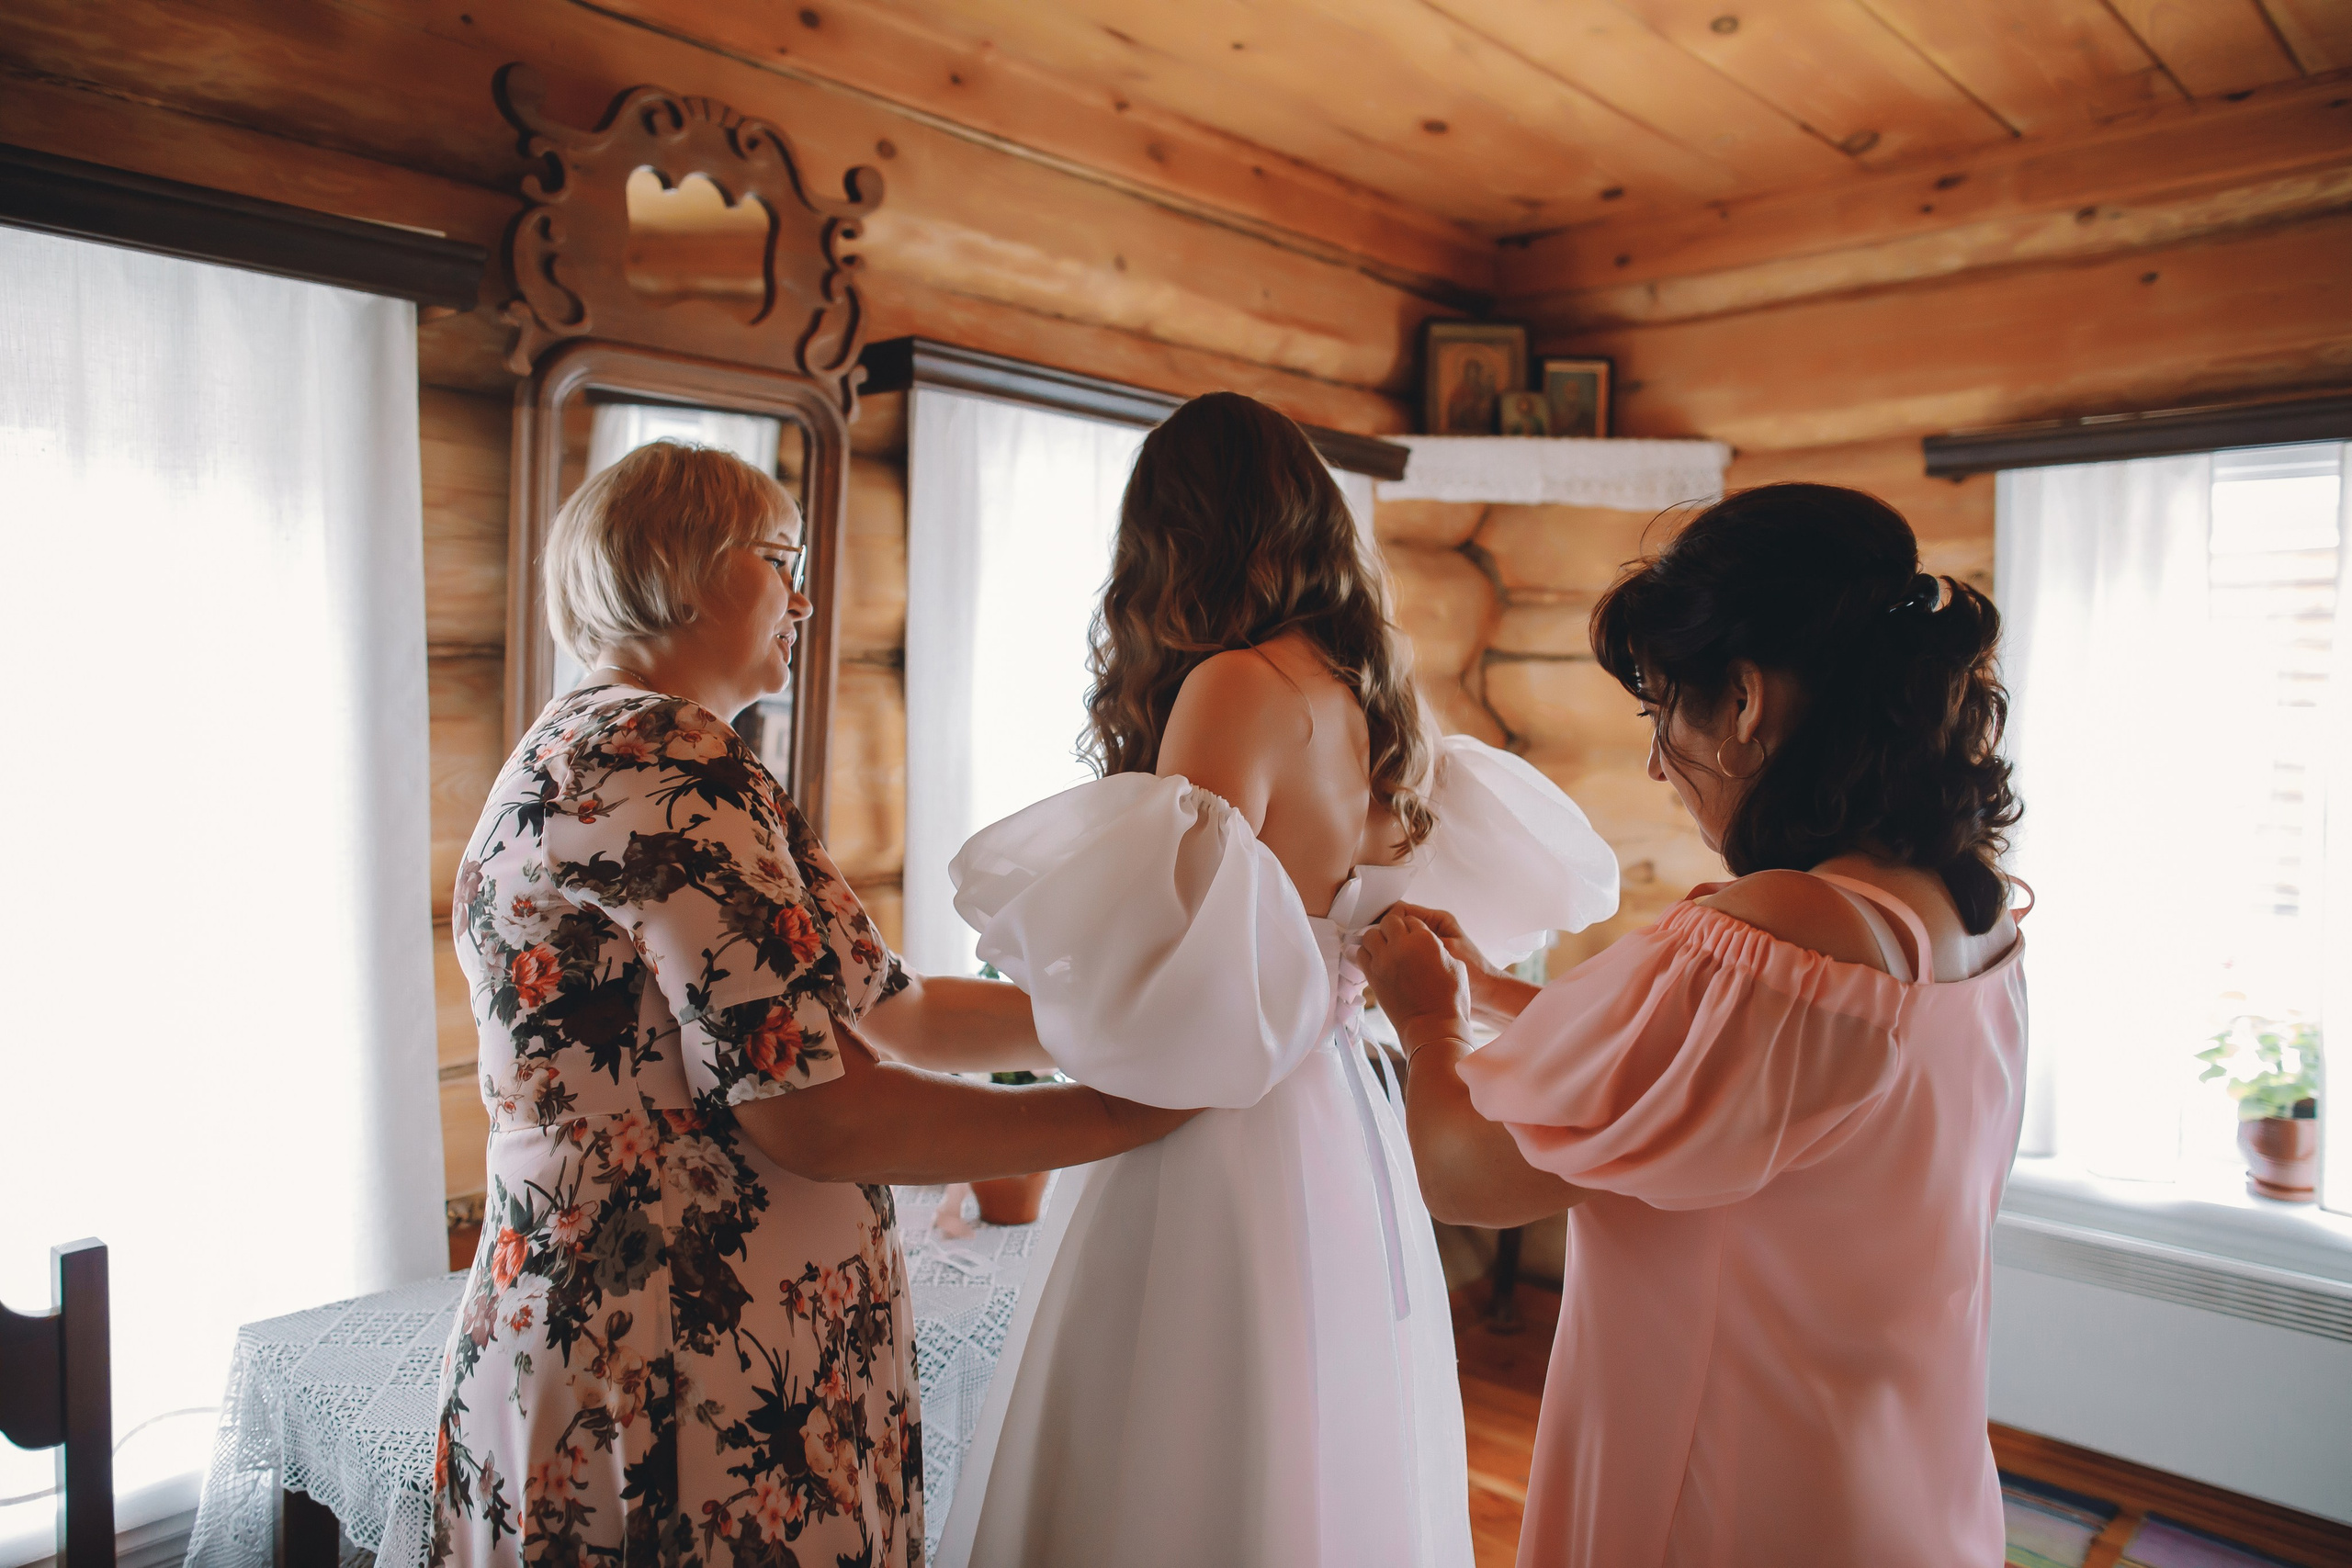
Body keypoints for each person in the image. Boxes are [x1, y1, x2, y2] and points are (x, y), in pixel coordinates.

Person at [428, 441, 1197, 1568]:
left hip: (627, 1320)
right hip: (675, 1345)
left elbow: (902, 1012)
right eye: (779, 558)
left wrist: (1144, 1019)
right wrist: (1128, 1115)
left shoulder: (604, 744)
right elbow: (811, 1117)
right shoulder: (664, 754)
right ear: (682, 565)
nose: (800, 597)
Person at [933, 393, 1620, 1567]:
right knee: (1307, 1424)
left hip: (1221, 1115)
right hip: (1332, 1114)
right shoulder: (1367, 694)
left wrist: (985, 1008)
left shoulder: (1235, 687)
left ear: (1170, 538)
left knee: (1172, 1430)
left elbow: (1174, 968)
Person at [1360, 482, 2027, 1566]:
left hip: (1735, 1485)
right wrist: (1482, 987)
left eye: (1661, 708)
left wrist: (1427, 1021)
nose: (1655, 760)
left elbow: (1465, 1174)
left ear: (1746, 700)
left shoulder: (1777, 936)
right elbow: (1700, 1077)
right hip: (1901, 1475)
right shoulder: (1957, 912)